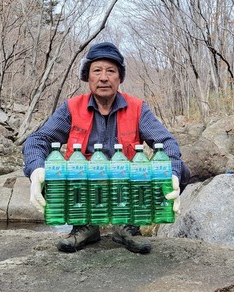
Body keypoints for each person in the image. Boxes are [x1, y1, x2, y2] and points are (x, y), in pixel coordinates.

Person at [23, 42, 190, 254]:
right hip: (83, 189)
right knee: (46, 170)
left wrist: (173, 173)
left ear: (119, 78)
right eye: (97, 71)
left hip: (125, 187)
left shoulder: (137, 108)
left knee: (181, 170)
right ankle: (85, 226)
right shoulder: (71, 108)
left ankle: (128, 226)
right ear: (88, 77)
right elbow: (38, 139)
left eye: (111, 71)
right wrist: (36, 169)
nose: (104, 77)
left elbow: (166, 142)